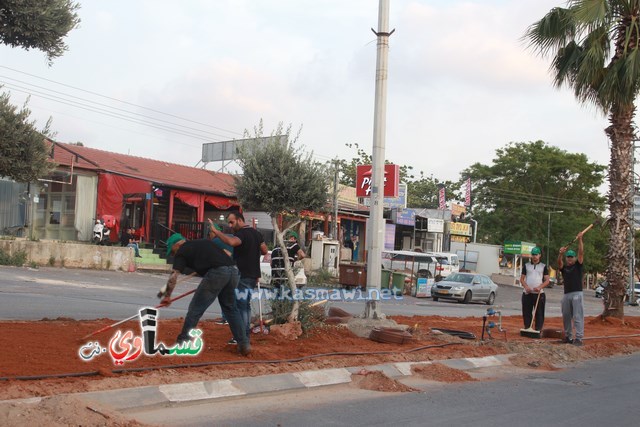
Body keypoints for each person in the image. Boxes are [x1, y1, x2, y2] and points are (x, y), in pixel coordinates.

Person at [160, 233, 250, 356]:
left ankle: (183, 341)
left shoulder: (182, 251)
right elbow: (224, 256)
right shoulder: (203, 242)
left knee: (195, 309)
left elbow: (174, 276)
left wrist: (167, 296)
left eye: (172, 251)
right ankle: (244, 343)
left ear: (177, 244)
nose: (173, 254)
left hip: (218, 273)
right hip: (233, 271)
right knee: (230, 308)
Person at [210, 212, 268, 341]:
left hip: (243, 274)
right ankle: (244, 335)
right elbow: (264, 250)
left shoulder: (241, 233)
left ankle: (241, 336)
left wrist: (216, 232)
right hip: (253, 275)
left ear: (240, 220)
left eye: (232, 222)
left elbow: (231, 242)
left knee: (239, 306)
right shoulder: (256, 233)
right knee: (244, 306)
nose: (230, 225)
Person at [558, 231, 585, 346]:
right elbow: (559, 263)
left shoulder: (578, 265)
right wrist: (560, 254)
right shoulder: (564, 268)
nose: (569, 259)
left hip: (577, 293)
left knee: (577, 316)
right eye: (568, 257)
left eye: (571, 257)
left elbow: (581, 253)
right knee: (566, 316)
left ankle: (578, 338)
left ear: (574, 258)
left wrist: (580, 239)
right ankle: (568, 337)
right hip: (566, 294)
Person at [208, 221, 233, 327]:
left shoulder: (216, 242)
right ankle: (227, 317)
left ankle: (227, 318)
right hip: (235, 270)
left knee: (225, 296)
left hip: (226, 271)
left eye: (210, 233)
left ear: (214, 232)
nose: (209, 235)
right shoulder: (228, 238)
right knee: (229, 296)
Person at [519, 246, 550, 332]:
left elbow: (547, 280)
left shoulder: (543, 266)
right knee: (526, 312)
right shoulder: (526, 266)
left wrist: (540, 287)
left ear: (539, 255)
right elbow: (522, 279)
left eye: (536, 254)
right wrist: (526, 287)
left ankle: (538, 329)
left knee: (539, 313)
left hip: (539, 293)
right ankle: (527, 328)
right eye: (533, 255)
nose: (534, 256)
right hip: (527, 293)